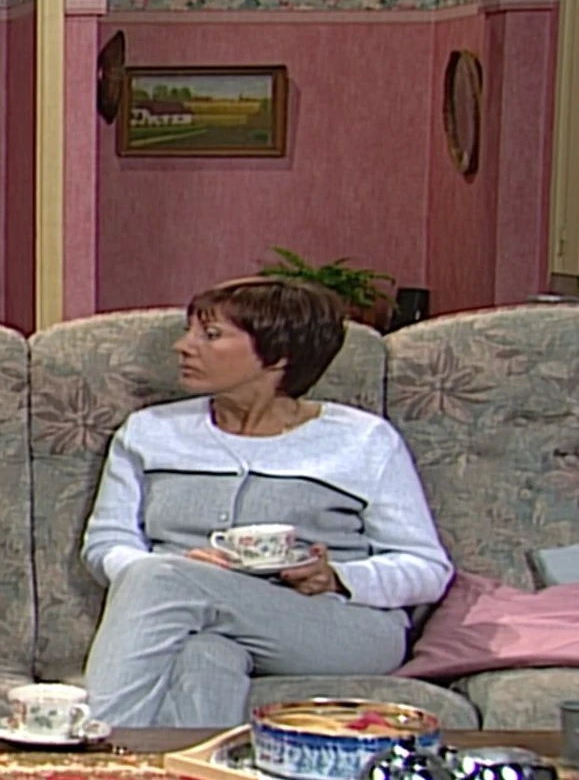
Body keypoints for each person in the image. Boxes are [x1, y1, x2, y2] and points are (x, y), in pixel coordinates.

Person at [79, 276, 453, 728]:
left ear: (278, 356)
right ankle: (198, 765)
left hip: (335, 624)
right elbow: (106, 543)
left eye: (210, 335)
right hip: (192, 616)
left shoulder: (363, 441)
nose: (183, 346)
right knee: (203, 655)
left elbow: (427, 568)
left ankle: (93, 747)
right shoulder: (149, 432)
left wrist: (338, 577)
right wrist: (182, 577)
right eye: (189, 331)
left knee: (161, 577)